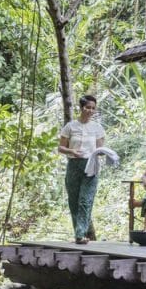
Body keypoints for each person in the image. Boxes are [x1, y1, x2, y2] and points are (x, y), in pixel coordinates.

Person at [58, 94, 105, 244]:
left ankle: (80, 234)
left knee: (86, 200)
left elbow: (100, 148)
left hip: (91, 165)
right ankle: (78, 233)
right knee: (74, 200)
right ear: (81, 108)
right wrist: (71, 151)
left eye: (93, 108)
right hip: (73, 165)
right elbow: (61, 147)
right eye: (87, 107)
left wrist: (104, 153)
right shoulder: (70, 126)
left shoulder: (97, 128)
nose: (90, 111)